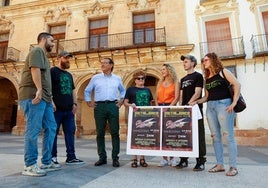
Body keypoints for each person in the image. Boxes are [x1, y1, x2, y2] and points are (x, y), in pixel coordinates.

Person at [190, 52, 240, 176]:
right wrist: (195, 101)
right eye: (203, 60)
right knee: (215, 137)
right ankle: (220, 165)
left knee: (228, 136)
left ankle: (233, 167)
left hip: (224, 105)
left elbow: (237, 84)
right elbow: (206, 97)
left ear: (213, 60)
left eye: (206, 60)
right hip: (210, 107)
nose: (204, 62)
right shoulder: (207, 78)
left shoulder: (223, 72)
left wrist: (234, 102)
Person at [19, 32, 60, 177]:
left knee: (51, 127)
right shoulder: (36, 51)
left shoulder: (45, 57)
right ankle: (29, 165)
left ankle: (47, 161)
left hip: (45, 98)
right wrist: (39, 90)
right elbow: (34, 69)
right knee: (34, 129)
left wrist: (51, 99)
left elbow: (45, 79)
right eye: (51, 40)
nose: (53, 43)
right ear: (43, 39)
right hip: (33, 96)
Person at [84, 57, 126, 167]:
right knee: (100, 133)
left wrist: (121, 101)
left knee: (115, 132)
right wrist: (89, 101)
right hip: (99, 106)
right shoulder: (95, 78)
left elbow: (123, 90)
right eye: (101, 63)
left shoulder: (117, 78)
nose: (102, 65)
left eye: (105, 63)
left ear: (111, 65)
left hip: (113, 105)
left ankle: (115, 158)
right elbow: (87, 90)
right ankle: (102, 157)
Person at [51, 51, 85, 166]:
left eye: (69, 58)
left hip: (69, 110)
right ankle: (52, 157)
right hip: (56, 110)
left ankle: (71, 157)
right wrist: (51, 102)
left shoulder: (69, 75)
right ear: (59, 58)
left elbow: (72, 90)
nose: (68, 60)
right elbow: (48, 88)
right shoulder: (52, 71)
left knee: (70, 132)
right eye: (66, 58)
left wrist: (75, 104)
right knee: (53, 133)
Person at [176, 55, 206, 171]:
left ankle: (200, 161)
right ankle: (184, 160)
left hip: (195, 110)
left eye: (186, 62)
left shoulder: (198, 76)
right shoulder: (183, 79)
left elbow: (198, 92)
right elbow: (181, 95)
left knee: (198, 135)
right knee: (183, 135)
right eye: (183, 62)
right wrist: (181, 106)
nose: (184, 64)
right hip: (184, 111)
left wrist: (190, 104)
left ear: (193, 63)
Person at [124, 70, 154, 168]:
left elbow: (151, 102)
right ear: (135, 80)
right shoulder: (130, 90)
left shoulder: (148, 90)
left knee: (144, 137)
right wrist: (131, 105)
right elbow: (125, 103)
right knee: (134, 137)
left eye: (143, 78)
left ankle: (142, 158)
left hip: (146, 117)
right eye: (138, 78)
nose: (141, 80)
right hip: (135, 117)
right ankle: (134, 158)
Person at [155, 63, 179, 167]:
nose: (162, 71)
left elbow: (176, 97)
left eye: (163, 69)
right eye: (161, 70)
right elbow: (156, 97)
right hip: (160, 108)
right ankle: (164, 158)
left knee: (171, 134)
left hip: (170, 108)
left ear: (169, 70)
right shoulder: (160, 82)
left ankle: (172, 158)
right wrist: (157, 108)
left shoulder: (175, 82)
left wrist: (169, 108)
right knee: (161, 134)